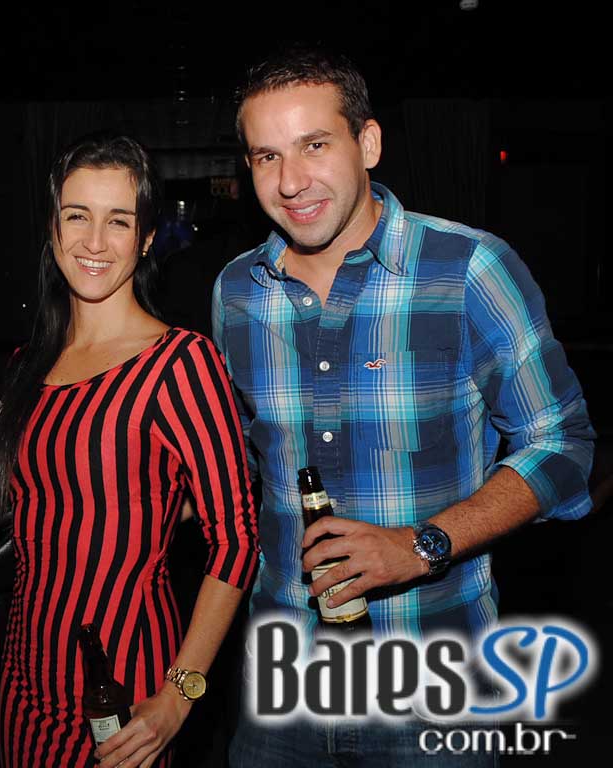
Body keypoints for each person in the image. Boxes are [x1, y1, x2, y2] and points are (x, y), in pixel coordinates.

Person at [212, 47, 595, 766]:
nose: (290, 182)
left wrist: (422, 546)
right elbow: (239, 463)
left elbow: (565, 446)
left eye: (314, 145)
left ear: (368, 143)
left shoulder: (469, 268)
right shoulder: (237, 291)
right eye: (267, 156)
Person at [0, 133, 258, 768]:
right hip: (22, 681)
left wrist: (180, 695)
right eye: (77, 216)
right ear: (53, 229)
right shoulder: (27, 365)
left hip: (126, 694)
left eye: (119, 221)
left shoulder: (180, 363)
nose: (95, 241)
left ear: (147, 238)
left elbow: (237, 539)